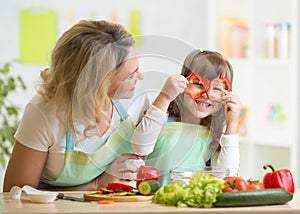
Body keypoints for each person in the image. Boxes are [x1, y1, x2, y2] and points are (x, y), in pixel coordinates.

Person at [3, 20, 150, 192]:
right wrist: (96, 185)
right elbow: (14, 193)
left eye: (137, 68)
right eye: (131, 74)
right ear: (99, 82)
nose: (140, 77)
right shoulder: (45, 112)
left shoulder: (135, 96)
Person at [131, 49, 242, 185]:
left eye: (217, 89)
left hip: (194, 204)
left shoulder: (215, 132)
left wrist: (232, 124)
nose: (206, 94)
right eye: (199, 84)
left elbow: (227, 176)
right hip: (154, 202)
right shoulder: (162, 118)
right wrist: (165, 97)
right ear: (183, 83)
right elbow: (140, 147)